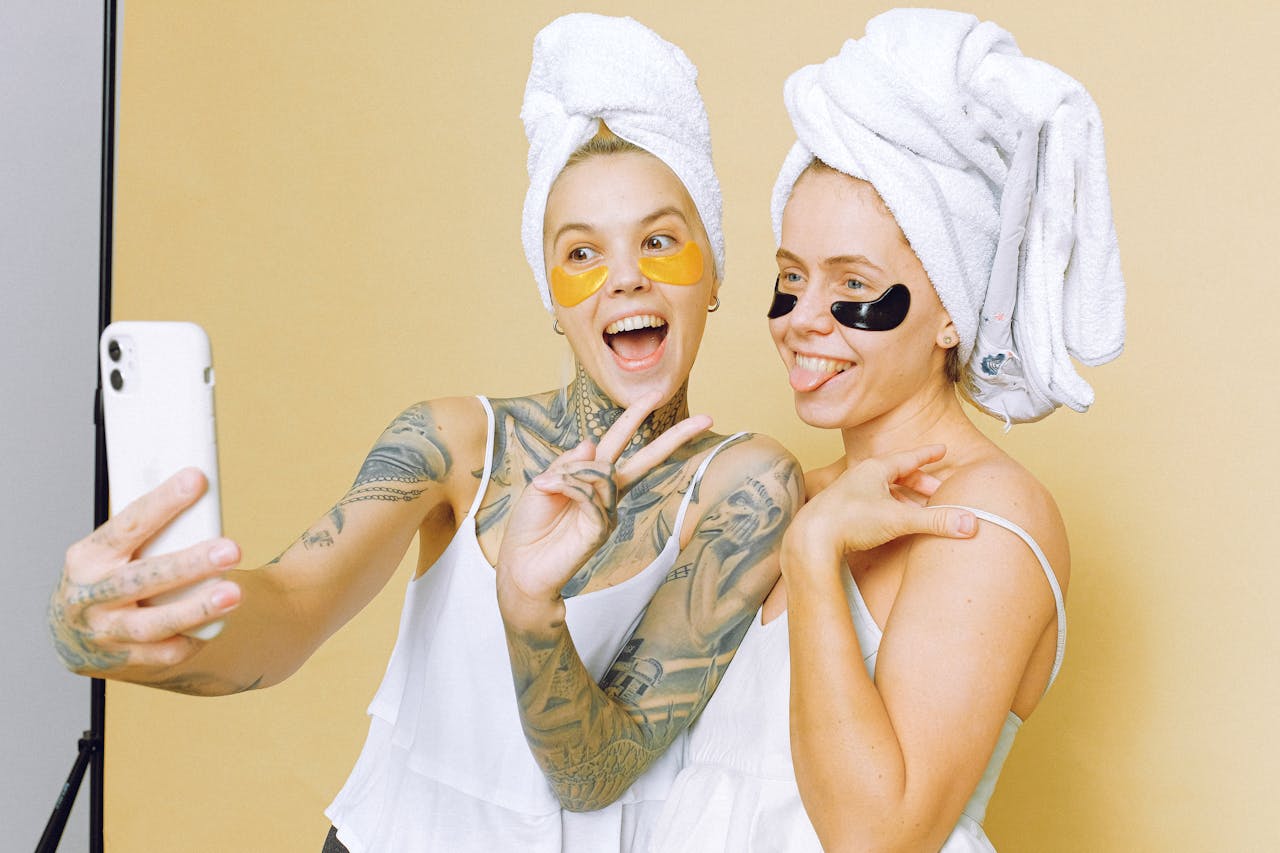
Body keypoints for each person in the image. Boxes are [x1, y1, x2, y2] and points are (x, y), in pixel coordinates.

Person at [47, 14, 799, 853]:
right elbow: (291, 606)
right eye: (581, 253)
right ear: (552, 299)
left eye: (659, 241)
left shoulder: (747, 487)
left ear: (713, 270)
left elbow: (594, 770)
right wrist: (119, 634)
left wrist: (529, 603)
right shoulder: (454, 445)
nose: (624, 276)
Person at [651, 9, 1124, 852]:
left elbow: (877, 834)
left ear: (951, 312)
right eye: (791, 278)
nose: (801, 319)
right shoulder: (784, 491)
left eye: (853, 285)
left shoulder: (989, 515)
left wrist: (811, 553)